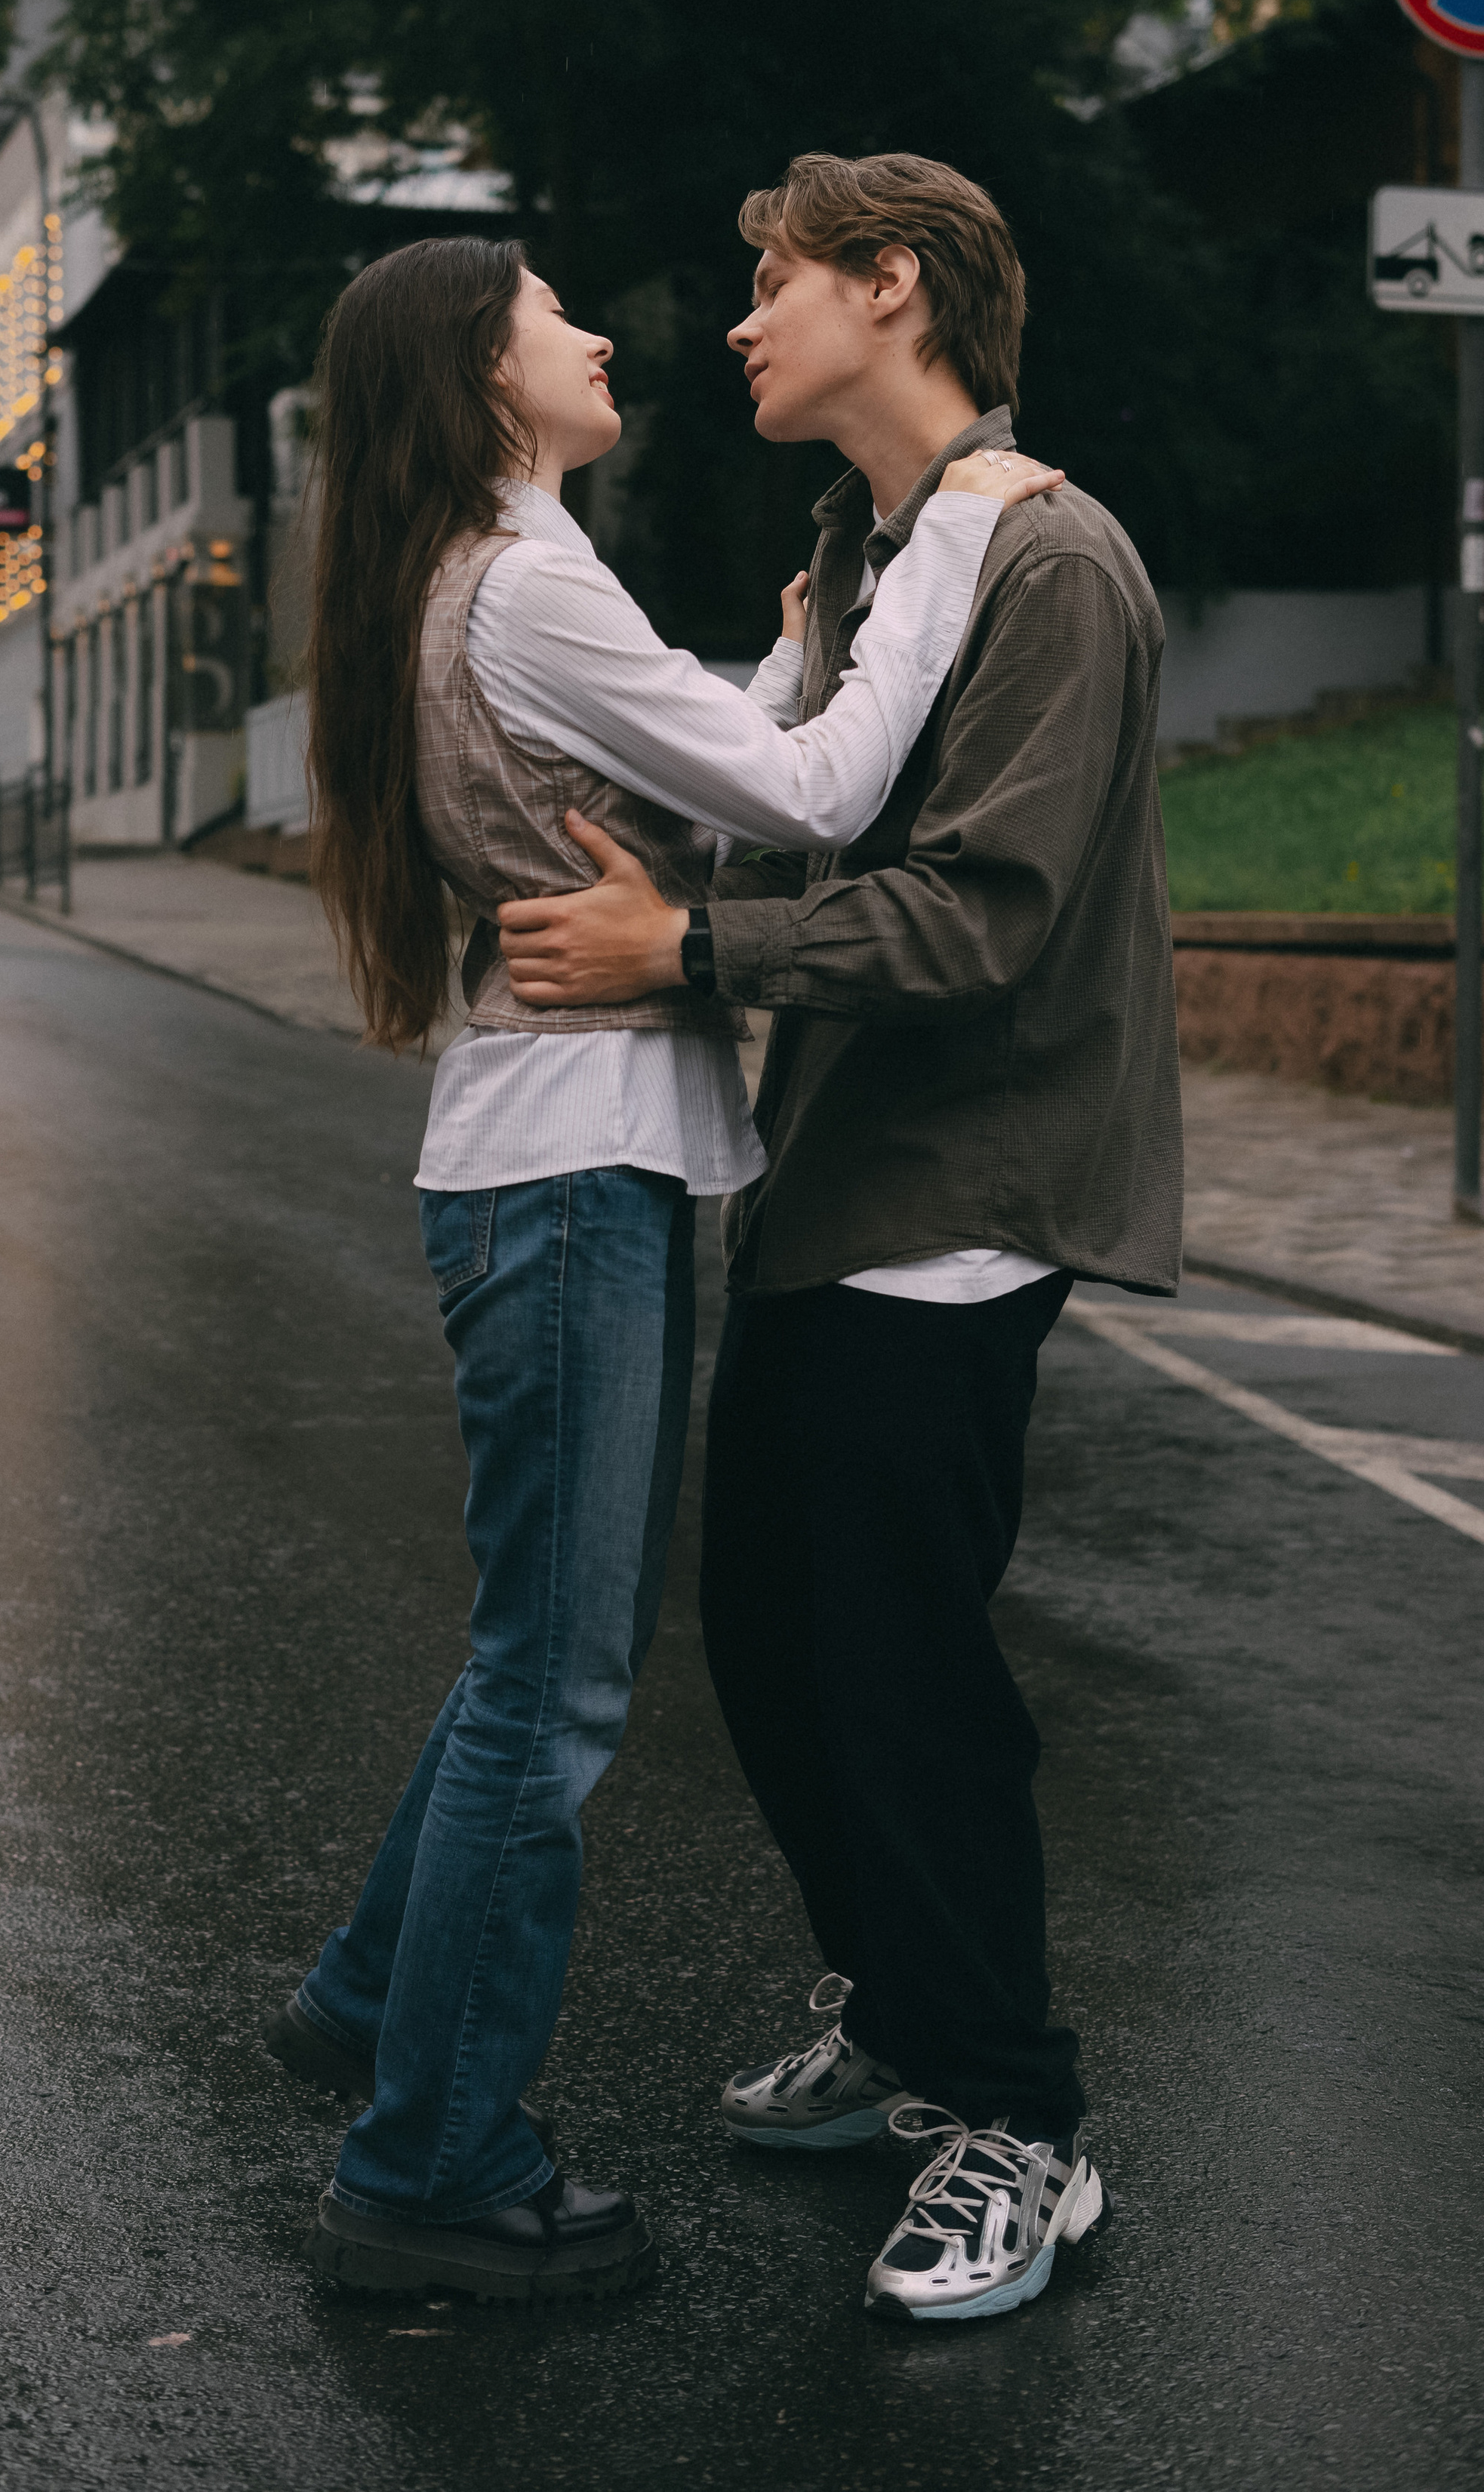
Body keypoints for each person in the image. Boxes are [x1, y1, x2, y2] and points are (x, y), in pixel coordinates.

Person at [271, 231, 1064, 2306]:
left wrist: (797, 652)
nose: (601, 332)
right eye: (553, 314)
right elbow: (812, 793)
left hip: (551, 1165)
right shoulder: (523, 575)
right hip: (566, 1176)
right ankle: (430, 2158)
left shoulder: (483, 572)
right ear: (480, 370)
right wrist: (954, 543)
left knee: (537, 1647)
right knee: (558, 1686)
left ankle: (378, 2003)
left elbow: (691, 781)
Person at [497, 152, 1182, 2325]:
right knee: (781, 1649)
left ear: (894, 291)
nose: (739, 318)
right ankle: (904, 2021)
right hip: (844, 1177)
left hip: (972, 1181)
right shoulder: (872, 556)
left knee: (898, 1670)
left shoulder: (1048, 562)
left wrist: (683, 948)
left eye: (776, 280)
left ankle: (1019, 2120)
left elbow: (987, 914)